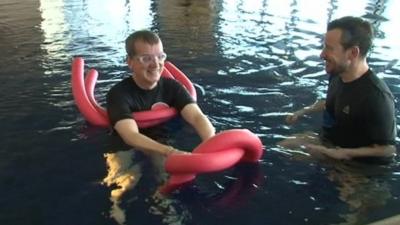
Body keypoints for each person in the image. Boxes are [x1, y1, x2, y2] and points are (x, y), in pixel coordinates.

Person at [280, 16, 397, 162]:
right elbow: (332, 101)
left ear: (353, 53)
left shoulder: (376, 97)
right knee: (281, 148)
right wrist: (302, 111)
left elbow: (388, 150)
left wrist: (344, 153)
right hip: (330, 144)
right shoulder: (337, 74)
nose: (322, 54)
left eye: (329, 48)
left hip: (357, 166)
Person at [106, 30, 215, 156]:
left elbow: (197, 117)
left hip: (162, 139)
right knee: (125, 174)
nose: (156, 64)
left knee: (167, 172)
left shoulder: (173, 87)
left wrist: (210, 142)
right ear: (130, 61)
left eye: (160, 57)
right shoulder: (119, 94)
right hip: (124, 147)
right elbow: (130, 135)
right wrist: (171, 152)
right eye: (146, 58)